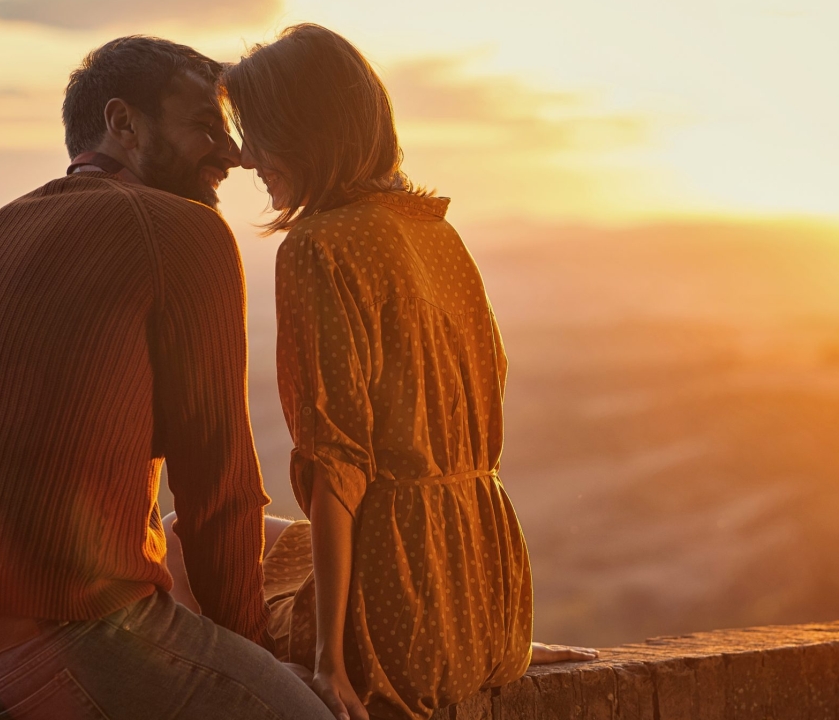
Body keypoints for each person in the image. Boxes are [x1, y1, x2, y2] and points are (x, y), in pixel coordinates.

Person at [0, 36, 332, 720]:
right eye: (205, 126)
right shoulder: (181, 229)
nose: (232, 154)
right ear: (123, 123)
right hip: (44, 639)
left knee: (208, 538)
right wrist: (256, 666)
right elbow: (219, 487)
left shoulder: (6, 223)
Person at [197, 23, 597, 720]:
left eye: (255, 131)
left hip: (395, 620)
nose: (243, 154)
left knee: (177, 548)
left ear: (303, 128)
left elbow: (336, 461)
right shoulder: (435, 231)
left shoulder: (318, 247)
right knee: (258, 542)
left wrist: (329, 665)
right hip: (487, 599)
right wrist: (492, 629)